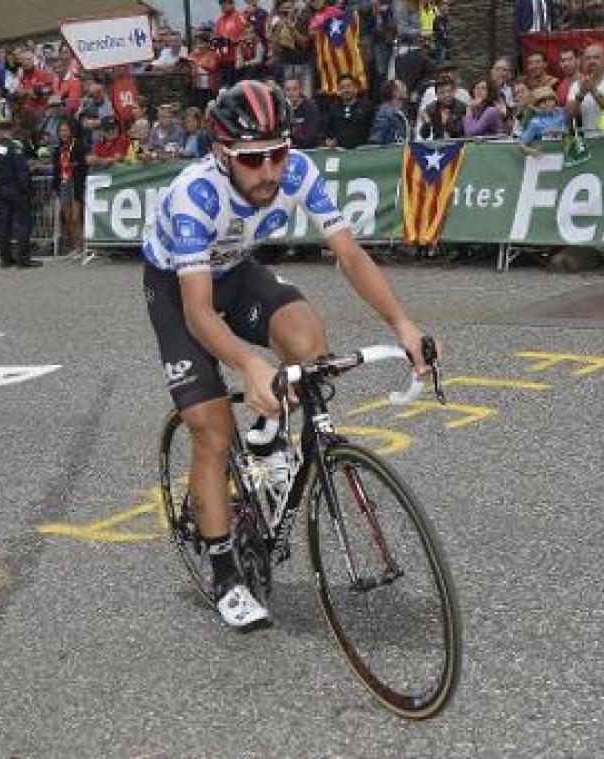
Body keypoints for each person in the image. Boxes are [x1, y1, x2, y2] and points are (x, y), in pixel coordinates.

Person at [141, 80, 435, 630]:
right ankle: (226, 575)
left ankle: (270, 436)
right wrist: (250, 365)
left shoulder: (297, 170)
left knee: (310, 348)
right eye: (253, 160)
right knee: (211, 432)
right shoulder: (194, 195)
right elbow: (199, 314)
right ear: (222, 153)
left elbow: (349, 253)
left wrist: (401, 323)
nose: (270, 171)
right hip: (180, 291)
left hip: (237, 271)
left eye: (278, 153)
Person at [0, 120, 42, 269]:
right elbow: (21, 171)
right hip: (16, 190)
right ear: (11, 130)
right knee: (23, 224)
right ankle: (23, 259)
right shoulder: (15, 148)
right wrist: (29, 189)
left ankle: (5, 259)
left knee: (3, 225)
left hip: (1, 189)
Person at [52, 120, 88, 257]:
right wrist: (55, 186)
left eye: (66, 130)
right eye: (61, 131)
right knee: (67, 217)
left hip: (76, 183)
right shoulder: (58, 149)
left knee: (75, 216)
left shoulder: (79, 146)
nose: (63, 133)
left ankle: (82, 245)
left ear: (72, 131)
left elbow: (84, 164)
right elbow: (56, 169)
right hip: (63, 183)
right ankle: (75, 246)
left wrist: (74, 165)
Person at [324, 73, 372, 148]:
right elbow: (327, 133)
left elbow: (373, 131)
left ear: (355, 89)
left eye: (349, 86)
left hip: (362, 151)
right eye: (342, 87)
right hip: (340, 151)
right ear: (339, 91)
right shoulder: (333, 110)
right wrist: (329, 141)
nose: (346, 90)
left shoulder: (366, 107)